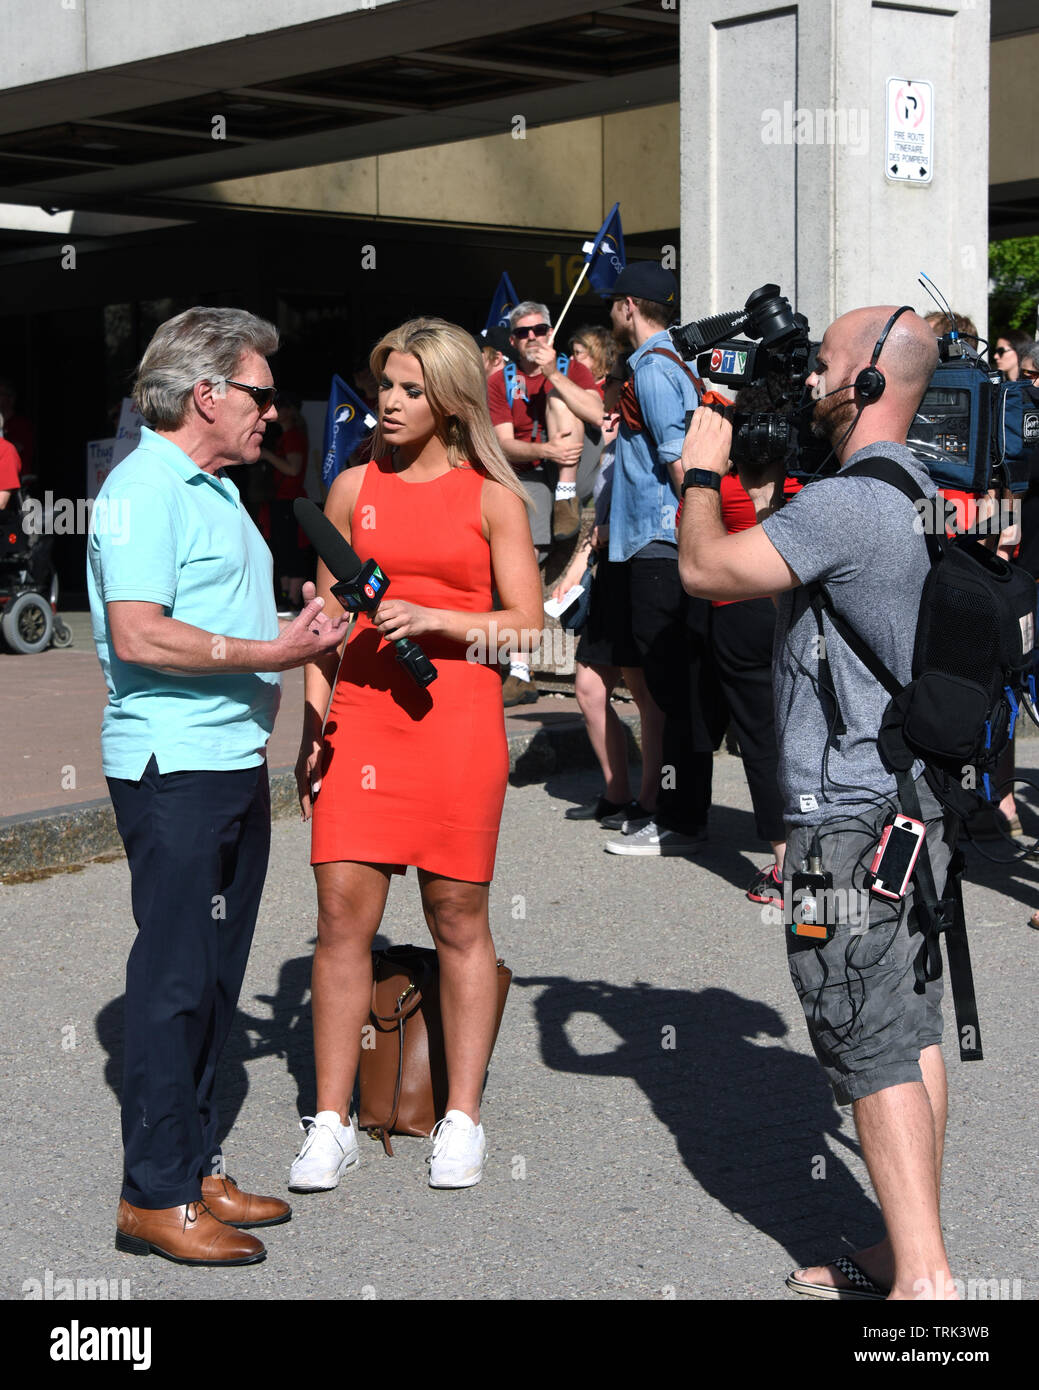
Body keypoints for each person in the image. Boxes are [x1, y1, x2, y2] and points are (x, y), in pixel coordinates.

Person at [678, 304, 962, 1301]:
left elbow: (706, 567)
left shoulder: (847, 506)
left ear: (872, 381)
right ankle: (902, 1244)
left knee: (864, 1031)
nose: (805, 378)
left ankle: (922, 1287)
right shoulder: (910, 486)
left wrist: (699, 468)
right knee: (908, 1026)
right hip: (906, 808)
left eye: (825, 363)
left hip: (846, 822)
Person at [88, 307, 349, 1267]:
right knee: (172, 983)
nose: (274, 414)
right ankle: (152, 1197)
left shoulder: (217, 488)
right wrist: (272, 652)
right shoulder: (140, 488)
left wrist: (299, 631)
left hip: (230, 761)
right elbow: (140, 633)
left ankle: (195, 1167)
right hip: (175, 769)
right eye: (261, 393)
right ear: (206, 394)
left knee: (213, 978)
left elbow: (213, 615)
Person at [290, 317, 542, 1192]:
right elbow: (323, 625)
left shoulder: (490, 498)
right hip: (360, 717)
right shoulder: (349, 486)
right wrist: (312, 726)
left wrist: (438, 620)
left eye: (407, 389)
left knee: (458, 921)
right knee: (338, 922)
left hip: (457, 721)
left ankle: (460, 1115)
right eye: (383, 386)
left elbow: (531, 628)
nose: (387, 404)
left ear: (449, 399)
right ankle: (329, 1120)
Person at [602, 262, 726, 857]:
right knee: (679, 687)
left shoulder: (652, 368)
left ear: (629, 306)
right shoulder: (676, 361)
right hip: (665, 545)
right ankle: (684, 812)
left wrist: (705, 534)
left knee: (671, 688)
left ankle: (677, 818)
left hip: (659, 547)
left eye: (613, 304)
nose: (610, 314)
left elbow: (680, 466)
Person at [488, 300, 600, 704]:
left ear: (550, 332)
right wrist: (547, 450)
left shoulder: (572, 366)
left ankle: (567, 500)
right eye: (523, 333)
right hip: (535, 467)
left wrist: (553, 371)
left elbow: (597, 413)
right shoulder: (502, 379)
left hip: (578, 462)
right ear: (514, 340)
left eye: (539, 330)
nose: (532, 338)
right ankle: (519, 670)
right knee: (525, 552)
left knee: (558, 397)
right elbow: (501, 443)